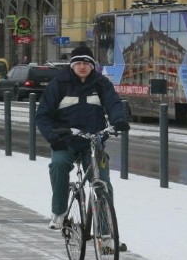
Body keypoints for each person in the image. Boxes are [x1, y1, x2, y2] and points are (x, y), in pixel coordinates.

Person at [35, 46, 130, 242]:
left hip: (93, 141)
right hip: (65, 140)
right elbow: (43, 115)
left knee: (102, 182)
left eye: (86, 63)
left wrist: (119, 120)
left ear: (92, 66)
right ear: (72, 65)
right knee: (59, 165)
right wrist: (53, 137)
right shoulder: (58, 84)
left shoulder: (101, 83)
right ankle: (59, 212)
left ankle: (105, 233)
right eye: (78, 63)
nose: (82, 67)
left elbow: (113, 103)